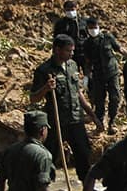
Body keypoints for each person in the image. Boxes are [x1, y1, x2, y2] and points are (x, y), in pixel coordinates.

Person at [30, 34, 103, 181]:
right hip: (56, 121)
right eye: (68, 51)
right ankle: (45, 188)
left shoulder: (72, 65)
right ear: (57, 50)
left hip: (76, 119)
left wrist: (93, 116)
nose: (72, 53)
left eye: (73, 51)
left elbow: (78, 93)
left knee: (84, 154)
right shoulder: (44, 70)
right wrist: (46, 88)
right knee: (49, 155)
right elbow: (33, 98)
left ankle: (87, 188)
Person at [83, 17, 122, 133]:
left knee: (115, 98)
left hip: (112, 73)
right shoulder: (87, 44)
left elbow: (120, 49)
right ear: (87, 29)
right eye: (90, 28)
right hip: (98, 75)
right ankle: (99, 124)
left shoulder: (108, 38)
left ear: (99, 27)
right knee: (99, 100)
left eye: (95, 27)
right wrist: (86, 76)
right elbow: (88, 62)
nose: (93, 30)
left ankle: (112, 123)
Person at [52, 0, 86, 67]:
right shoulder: (60, 24)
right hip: (67, 53)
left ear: (77, 8)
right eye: (68, 10)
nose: (70, 12)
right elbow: (56, 39)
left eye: (72, 9)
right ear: (64, 10)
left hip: (82, 52)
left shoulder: (83, 22)